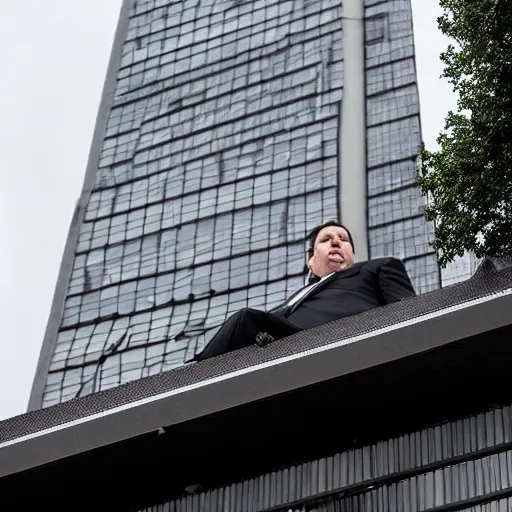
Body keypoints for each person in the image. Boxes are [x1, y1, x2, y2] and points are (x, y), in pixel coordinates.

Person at [193, 220, 416, 361]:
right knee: (246, 324)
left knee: (244, 318)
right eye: (326, 240)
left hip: (337, 341)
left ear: (352, 254)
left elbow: (408, 312)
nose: (336, 243)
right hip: (284, 344)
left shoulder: (379, 267)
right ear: (311, 259)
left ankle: (192, 378)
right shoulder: (293, 300)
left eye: (343, 239)